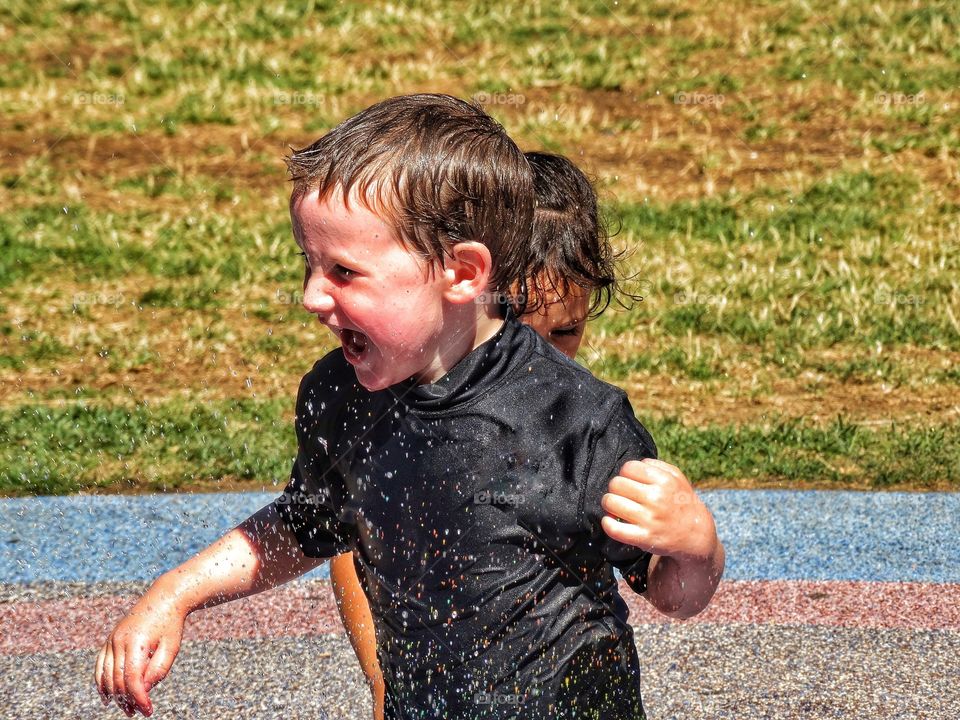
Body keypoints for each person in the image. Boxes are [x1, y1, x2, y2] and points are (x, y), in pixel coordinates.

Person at [95, 94, 724, 720]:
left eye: (343, 271)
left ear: (462, 273)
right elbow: (303, 528)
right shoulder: (341, 395)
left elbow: (671, 593)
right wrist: (175, 593)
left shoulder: (572, 417)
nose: (313, 295)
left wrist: (697, 548)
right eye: (308, 265)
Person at [329, 149, 646, 718]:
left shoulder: (581, 418)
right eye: (521, 332)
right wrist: (383, 684)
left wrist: (693, 544)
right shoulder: (409, 408)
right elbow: (349, 544)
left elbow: (657, 573)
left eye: (567, 332)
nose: (541, 360)